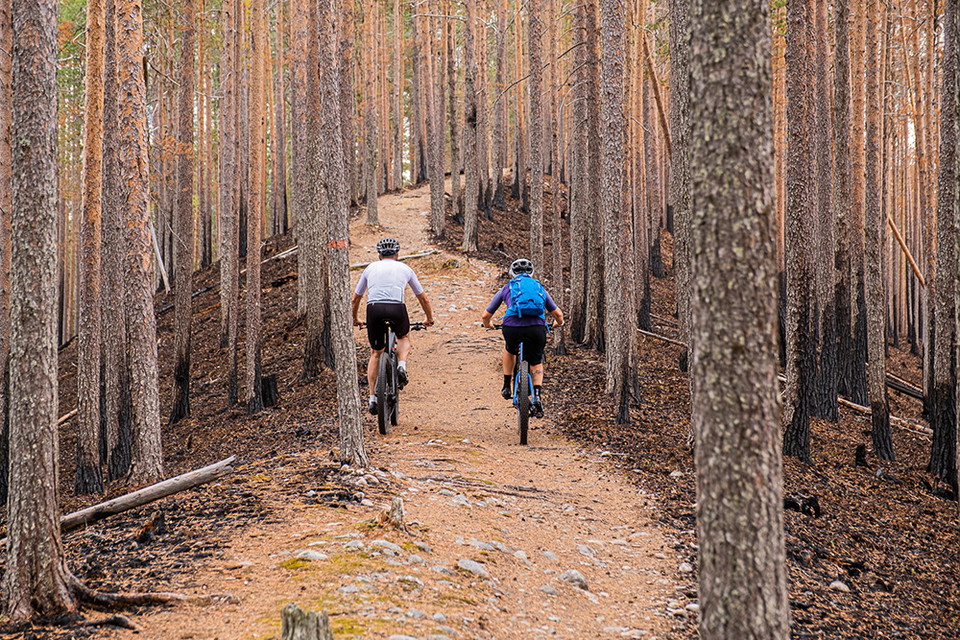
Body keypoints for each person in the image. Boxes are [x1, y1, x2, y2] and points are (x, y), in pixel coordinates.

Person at [353, 237, 435, 415]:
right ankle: (402, 366)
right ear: (397, 255)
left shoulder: (370, 268)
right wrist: (429, 318)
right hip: (396, 308)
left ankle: (373, 398)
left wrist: (355, 318)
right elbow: (423, 297)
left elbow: (356, 297)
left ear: (379, 255)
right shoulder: (405, 268)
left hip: (373, 309)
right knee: (403, 337)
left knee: (376, 353)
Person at [481, 258, 564, 417]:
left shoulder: (507, 288)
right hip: (536, 329)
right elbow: (558, 314)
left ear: (512, 273)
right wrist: (558, 323)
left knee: (509, 350)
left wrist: (488, 324)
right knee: (536, 361)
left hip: (512, 328)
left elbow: (486, 315)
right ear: (531, 273)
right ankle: (537, 396)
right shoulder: (539, 288)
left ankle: (506, 385)